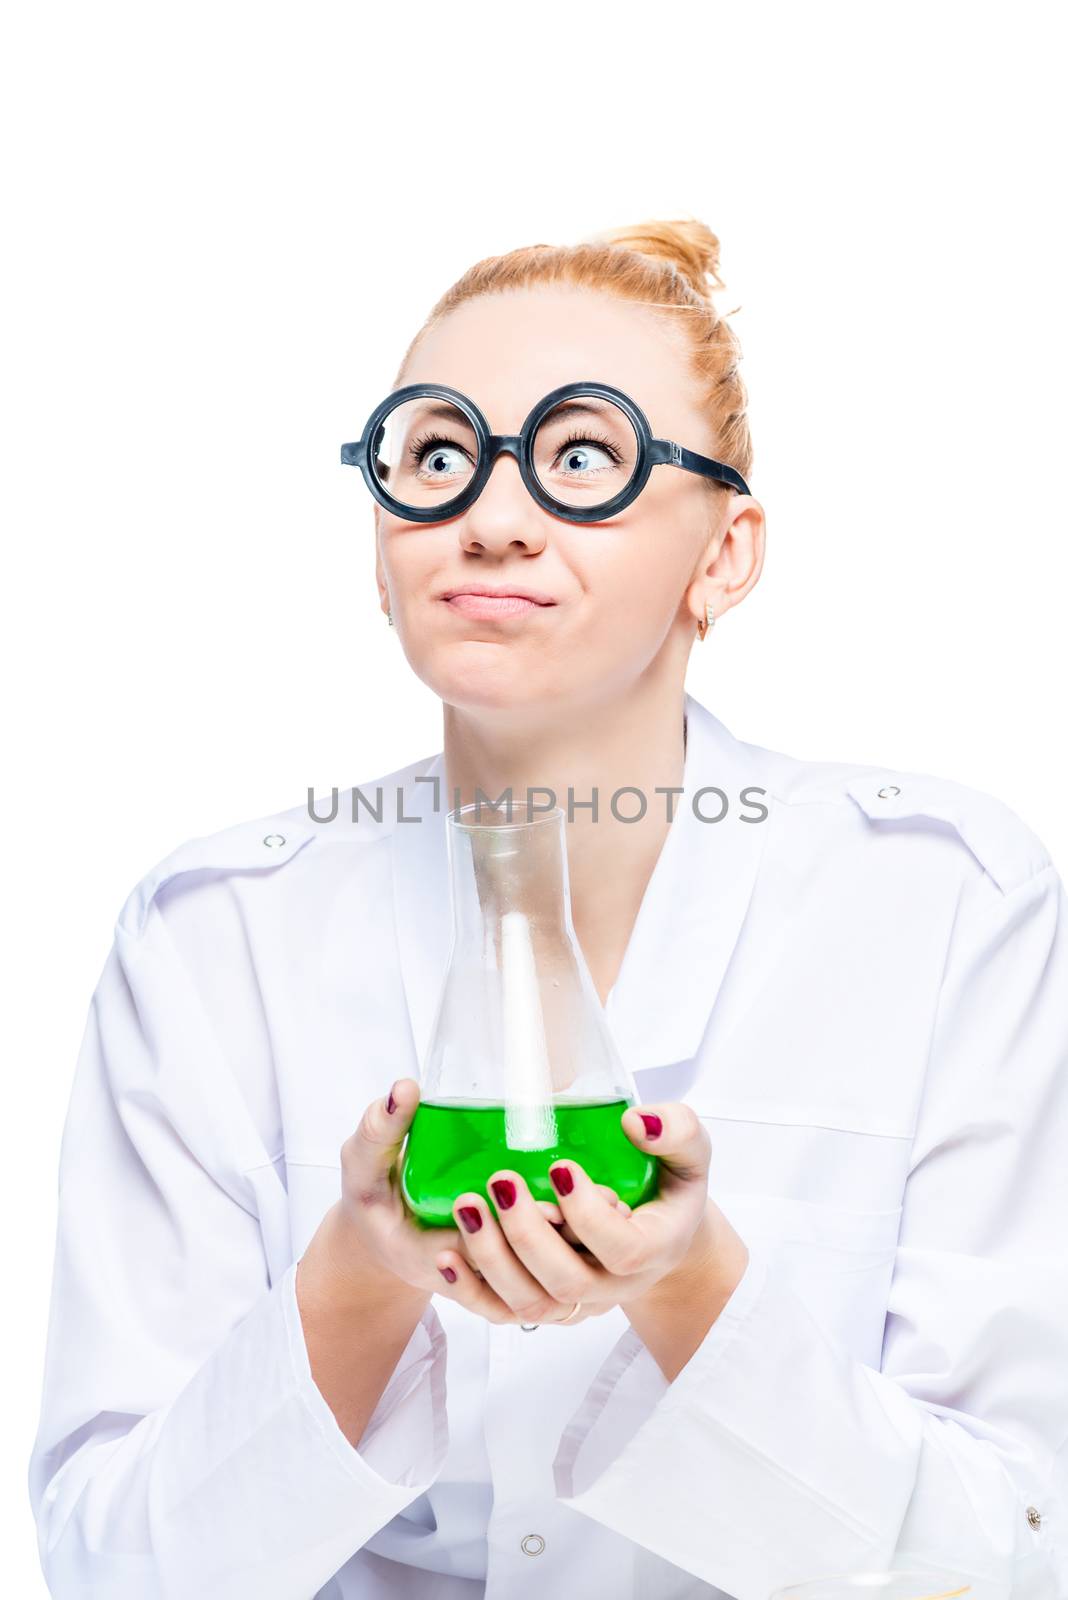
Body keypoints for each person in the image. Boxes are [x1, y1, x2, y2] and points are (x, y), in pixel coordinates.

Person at [27, 220, 1068, 1600]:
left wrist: (691, 1286)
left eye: (585, 459)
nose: (494, 515)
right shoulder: (215, 936)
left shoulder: (944, 906)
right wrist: (357, 1277)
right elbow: (111, 1568)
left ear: (727, 553)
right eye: (438, 455)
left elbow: (1001, 1557)